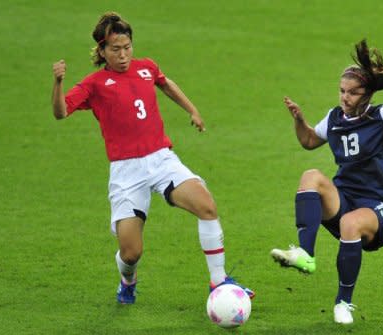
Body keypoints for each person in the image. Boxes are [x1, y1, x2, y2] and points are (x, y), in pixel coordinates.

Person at [51, 12, 254, 304]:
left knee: (207, 206)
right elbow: (60, 112)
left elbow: (165, 82)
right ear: (102, 51)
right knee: (131, 252)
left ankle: (219, 282)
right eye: (115, 49)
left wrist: (192, 110)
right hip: (126, 171)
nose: (123, 55)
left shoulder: (146, 68)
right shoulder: (94, 85)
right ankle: (128, 280)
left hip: (161, 159)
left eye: (127, 47)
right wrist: (58, 83)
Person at [271, 39, 383, 324]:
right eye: (342, 91)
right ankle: (305, 254)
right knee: (311, 176)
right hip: (345, 200)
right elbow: (308, 140)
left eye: (353, 93)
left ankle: (344, 302)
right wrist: (299, 119)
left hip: (379, 210)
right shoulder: (334, 118)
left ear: (367, 94)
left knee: (350, 223)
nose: (345, 97)